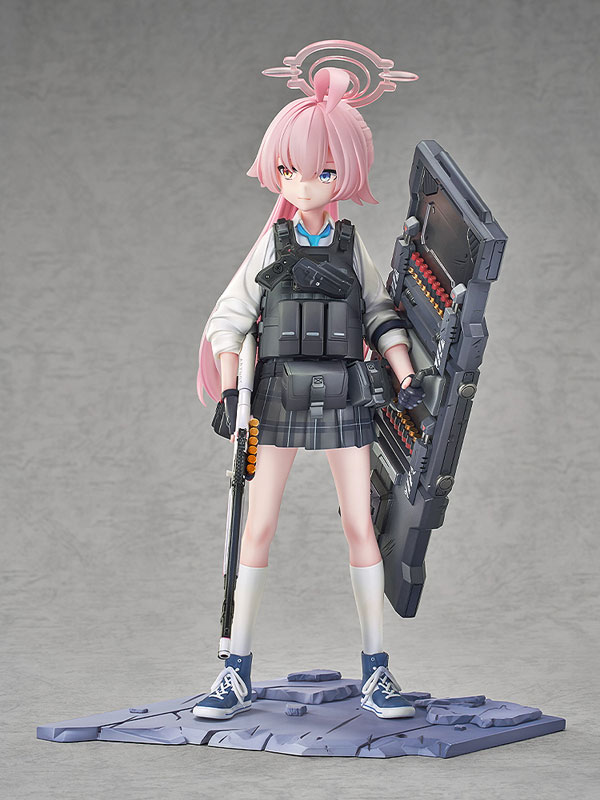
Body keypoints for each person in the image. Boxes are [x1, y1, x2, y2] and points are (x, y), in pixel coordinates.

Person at [193, 44, 422, 721]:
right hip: (273, 401)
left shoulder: (351, 245)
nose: (301, 184)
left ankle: (377, 670)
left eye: (319, 170)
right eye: (289, 170)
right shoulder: (272, 245)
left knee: (361, 525)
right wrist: (230, 390)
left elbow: (380, 313)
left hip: (348, 393)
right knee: (257, 526)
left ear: (342, 173)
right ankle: (234, 667)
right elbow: (230, 318)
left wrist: (406, 376)